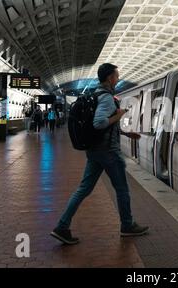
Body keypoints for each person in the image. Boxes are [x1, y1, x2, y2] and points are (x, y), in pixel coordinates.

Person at [51, 63, 148, 245]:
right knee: (122, 189)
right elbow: (99, 123)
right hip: (109, 152)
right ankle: (127, 226)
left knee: (84, 189)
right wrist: (118, 116)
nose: (118, 79)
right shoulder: (106, 98)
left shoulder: (94, 94)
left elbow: (104, 127)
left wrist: (126, 133)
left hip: (95, 151)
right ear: (110, 78)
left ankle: (62, 226)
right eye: (116, 76)